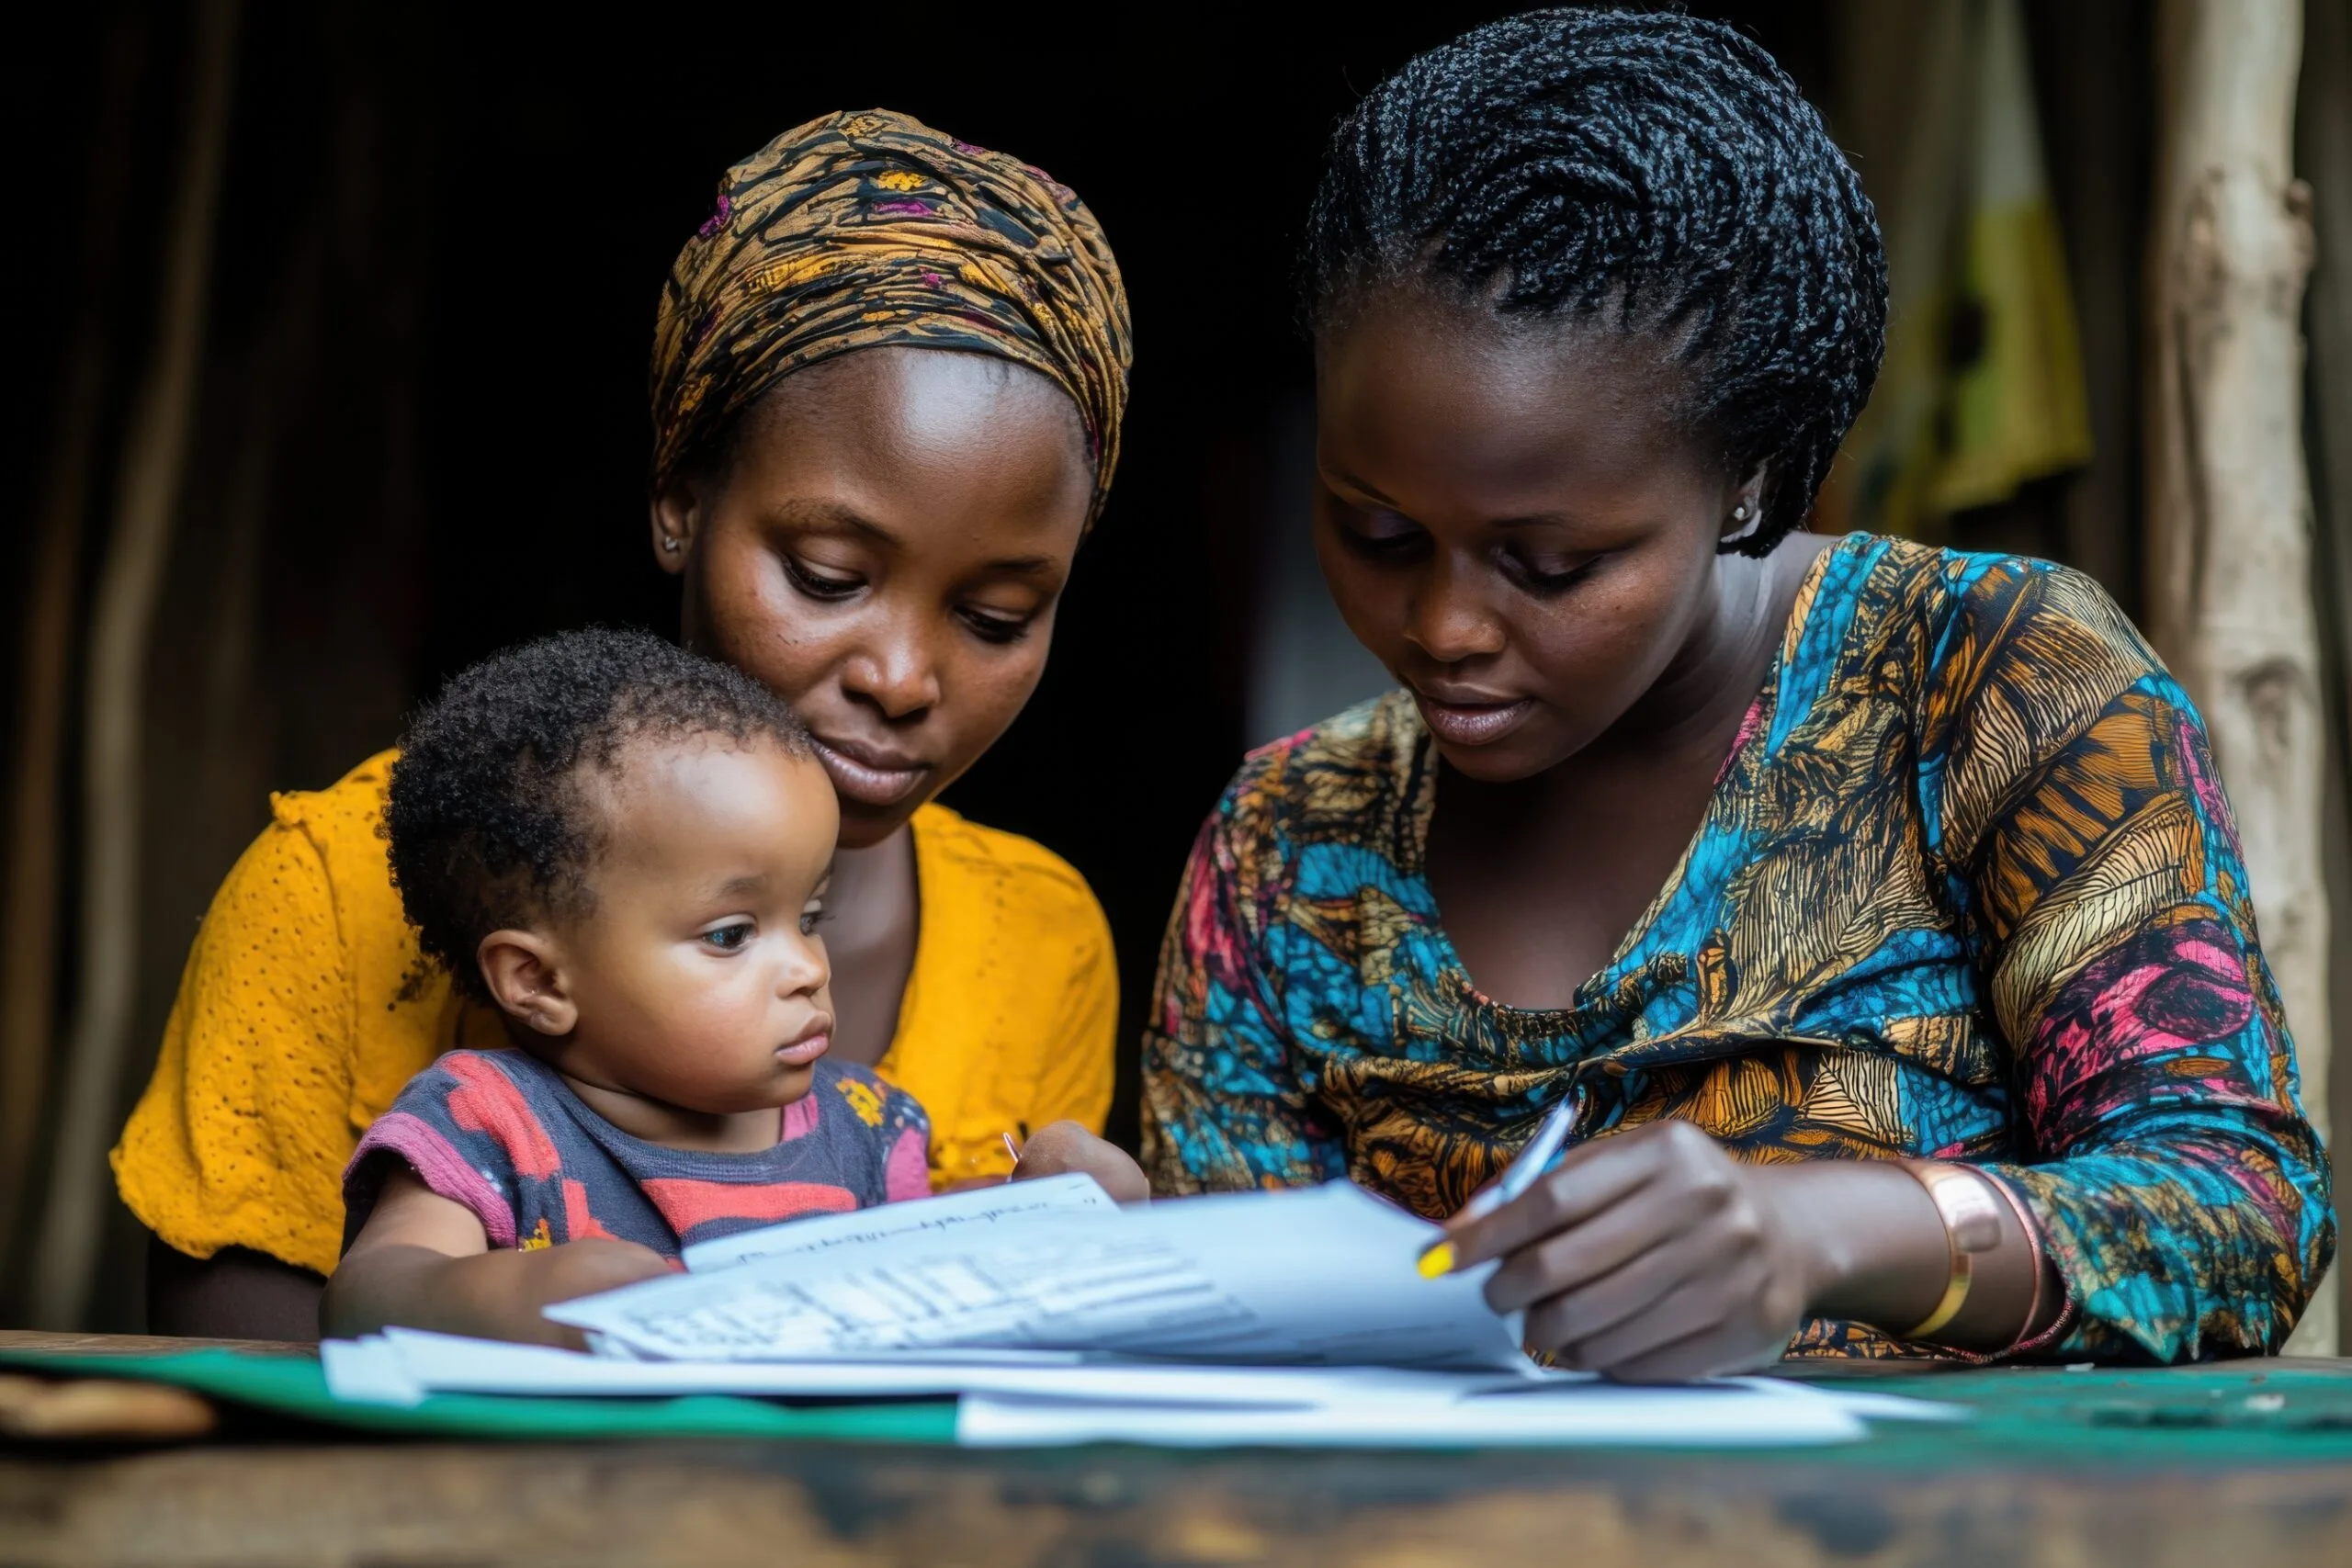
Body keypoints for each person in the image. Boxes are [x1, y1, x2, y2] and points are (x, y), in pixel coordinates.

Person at [1141, 9, 2333, 1378]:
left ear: (1751, 482)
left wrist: (1827, 1230)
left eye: (1551, 560)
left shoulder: (1988, 681)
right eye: (1378, 531)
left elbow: (2243, 1211)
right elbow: (1236, 1373)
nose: (1446, 625)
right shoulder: (1287, 844)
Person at [118, 109, 1138, 1339]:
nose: (905, 675)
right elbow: (234, 1401)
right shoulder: (335, 890)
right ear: (679, 499)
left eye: (994, 614)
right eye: (826, 574)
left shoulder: (1040, 940)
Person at [324, 631, 1146, 1346]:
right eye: (731, 935)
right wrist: (527, 1297)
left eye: (811, 914)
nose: (809, 969)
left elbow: (918, 1278)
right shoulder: (487, 1121)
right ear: (537, 980)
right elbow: (367, 1293)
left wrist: (1040, 1211)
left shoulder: (865, 1127)